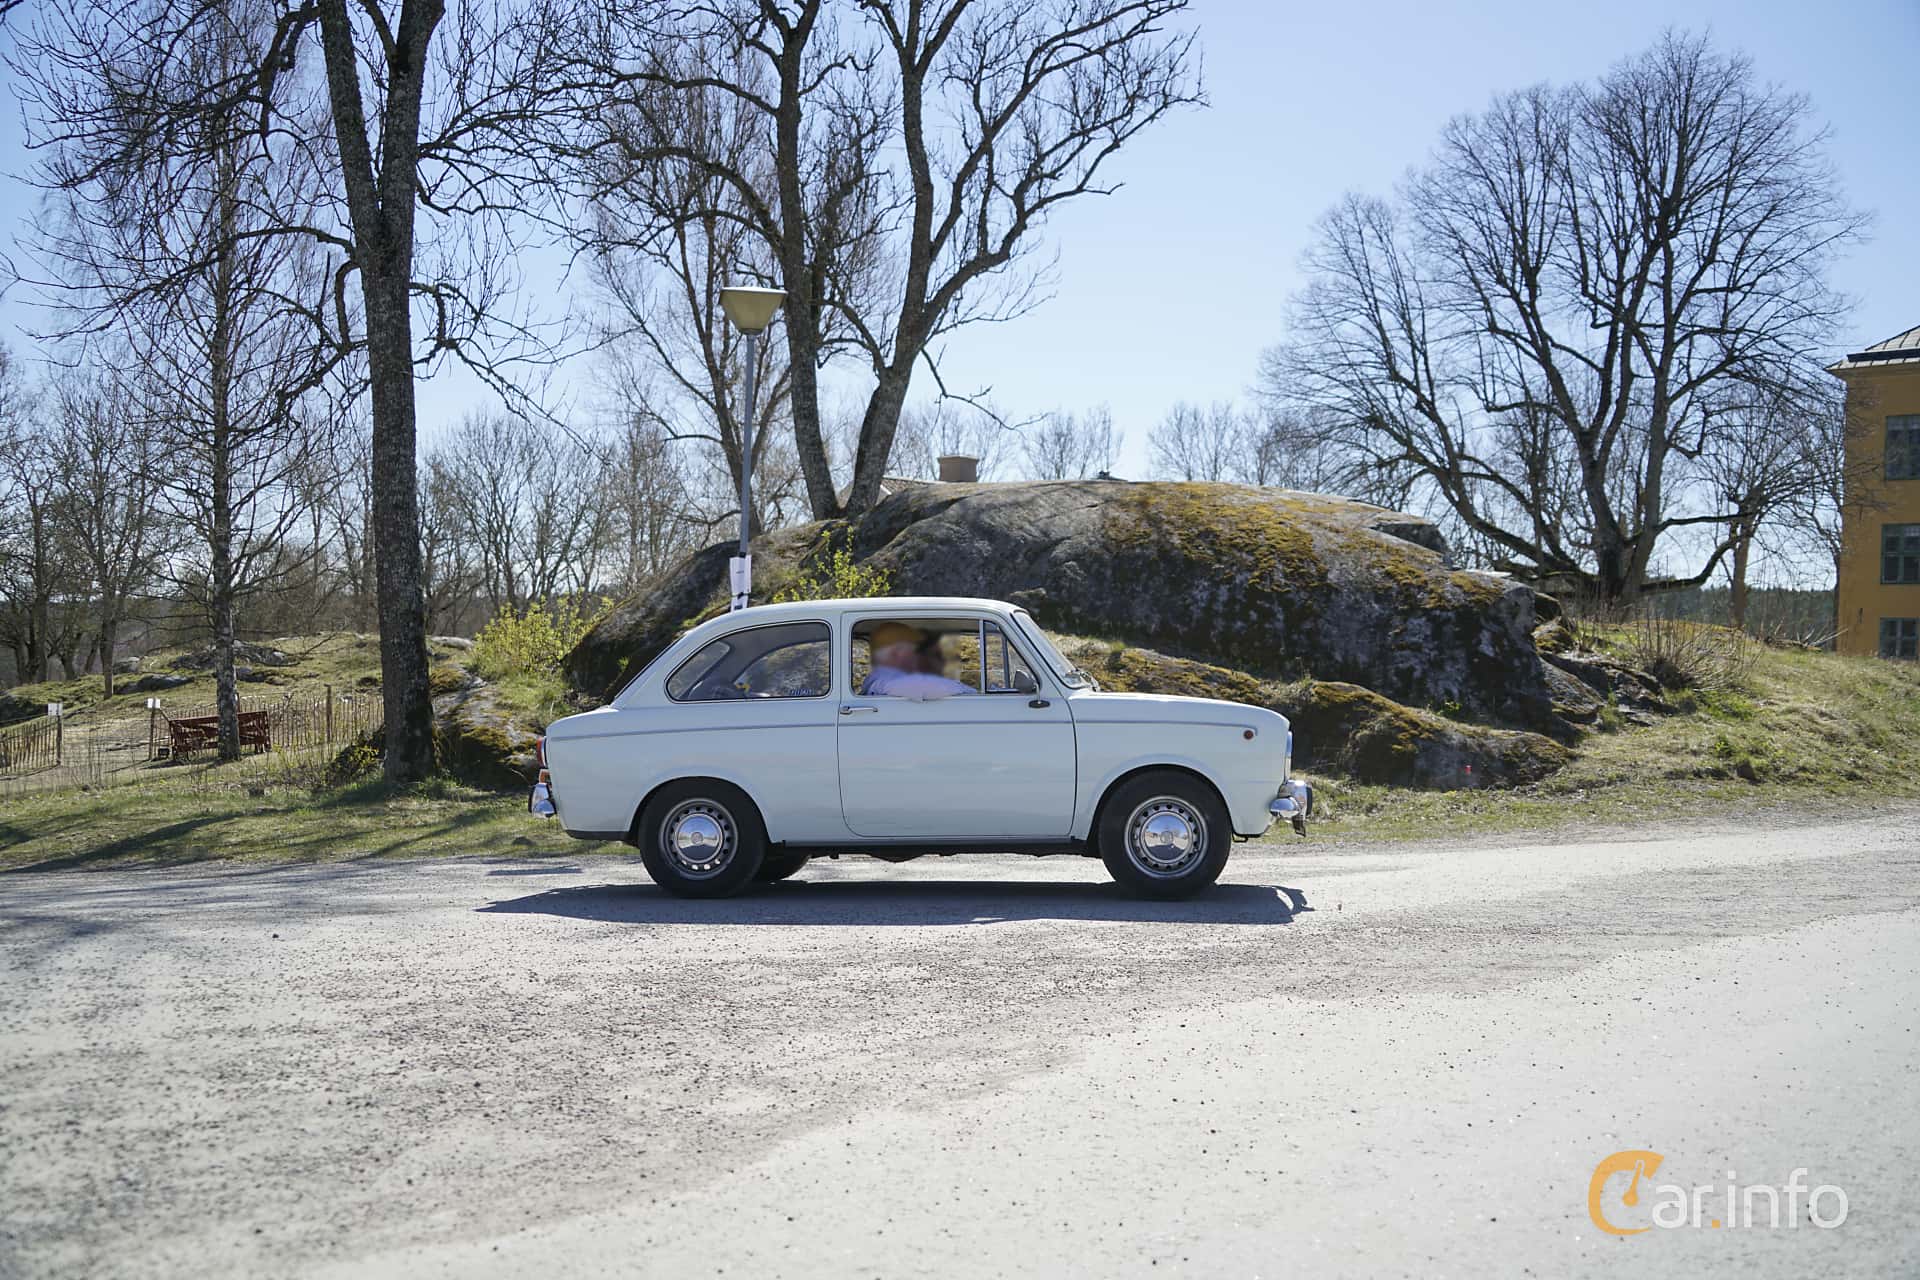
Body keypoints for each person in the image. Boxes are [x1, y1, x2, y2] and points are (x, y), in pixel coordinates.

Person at [861, 622, 974, 700]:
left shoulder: (885, 677)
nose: (917, 655)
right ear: (895, 652)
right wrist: (969, 691)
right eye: (913, 649)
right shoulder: (888, 679)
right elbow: (924, 686)